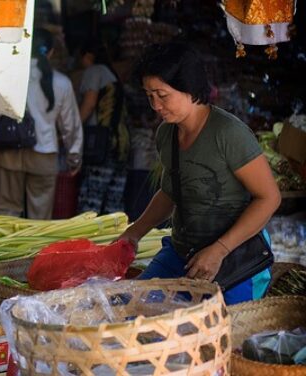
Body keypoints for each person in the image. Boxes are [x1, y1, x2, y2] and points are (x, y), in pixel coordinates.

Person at [118, 43, 281, 305]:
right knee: (130, 308)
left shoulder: (228, 133)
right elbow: (169, 192)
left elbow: (269, 198)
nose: (155, 105)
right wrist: (134, 233)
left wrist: (219, 249)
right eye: (149, 96)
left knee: (222, 336)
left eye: (162, 95)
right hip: (183, 254)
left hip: (235, 260)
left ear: (190, 88)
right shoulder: (166, 133)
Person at [0, 28, 83, 219]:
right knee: (40, 217)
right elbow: (70, 126)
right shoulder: (62, 82)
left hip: (9, 151)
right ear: (50, 52)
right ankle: (35, 250)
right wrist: (74, 157)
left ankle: (6, 249)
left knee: (6, 213)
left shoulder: (7, 76)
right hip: (45, 154)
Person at [76, 41, 130, 214]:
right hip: (121, 143)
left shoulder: (95, 71)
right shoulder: (112, 74)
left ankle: (89, 240)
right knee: (114, 202)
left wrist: (74, 129)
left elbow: (89, 104)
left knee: (92, 200)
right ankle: (114, 240)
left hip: (101, 143)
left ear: (88, 56)